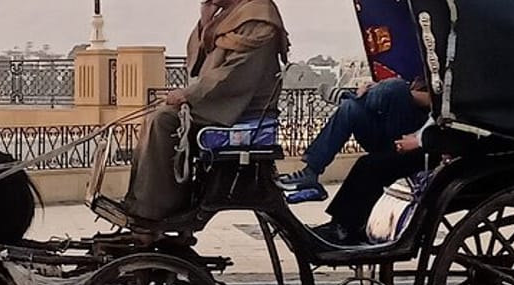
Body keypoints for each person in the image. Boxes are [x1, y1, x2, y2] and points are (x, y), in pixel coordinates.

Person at [123, 0, 290, 222]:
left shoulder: (259, 15)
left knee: (164, 121)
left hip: (241, 107)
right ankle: (139, 203)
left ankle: (156, 211)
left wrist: (189, 94)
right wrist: (206, 21)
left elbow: (235, 75)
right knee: (155, 117)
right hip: (222, 101)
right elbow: (198, 62)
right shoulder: (230, 14)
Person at [278, 77, 431, 198]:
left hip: (419, 137)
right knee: (349, 109)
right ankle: (311, 172)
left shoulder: (442, 72)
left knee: (396, 88)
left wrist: (397, 93)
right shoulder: (419, 69)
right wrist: (377, 88)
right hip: (391, 128)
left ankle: (350, 97)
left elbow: (434, 102)